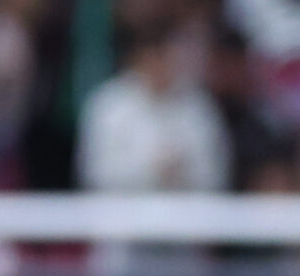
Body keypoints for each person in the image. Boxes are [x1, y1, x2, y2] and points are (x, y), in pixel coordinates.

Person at [78, 21, 231, 193]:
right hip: (121, 214)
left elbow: (216, 173)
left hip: (185, 213)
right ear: (138, 58)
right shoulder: (109, 104)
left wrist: (182, 170)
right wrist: (149, 170)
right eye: (154, 57)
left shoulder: (198, 106)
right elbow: (95, 173)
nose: (160, 66)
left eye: (166, 58)